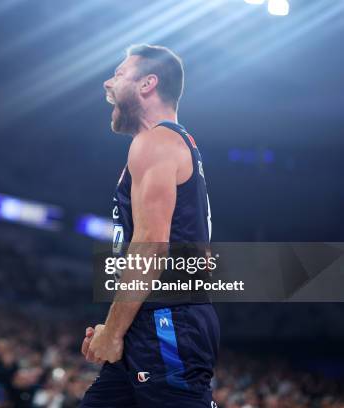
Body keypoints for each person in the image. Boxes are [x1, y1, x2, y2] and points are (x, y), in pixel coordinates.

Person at [80, 44, 220, 407]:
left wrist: (112, 332)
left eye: (119, 74)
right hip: (153, 317)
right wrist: (116, 328)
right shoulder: (166, 143)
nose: (108, 84)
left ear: (147, 84)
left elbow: (151, 246)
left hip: (168, 321)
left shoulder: (155, 141)